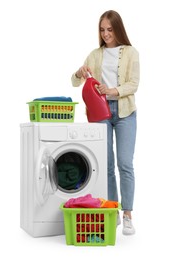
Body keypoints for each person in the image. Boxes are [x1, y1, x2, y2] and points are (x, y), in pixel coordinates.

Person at [71, 10, 140, 235]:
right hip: (100, 113)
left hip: (125, 112)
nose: (106, 34)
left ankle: (127, 214)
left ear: (118, 29)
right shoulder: (95, 54)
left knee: (125, 164)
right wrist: (80, 72)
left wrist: (112, 91)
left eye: (110, 29)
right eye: (102, 30)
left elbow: (133, 84)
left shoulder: (131, 52)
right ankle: (112, 211)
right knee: (107, 165)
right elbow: (74, 81)